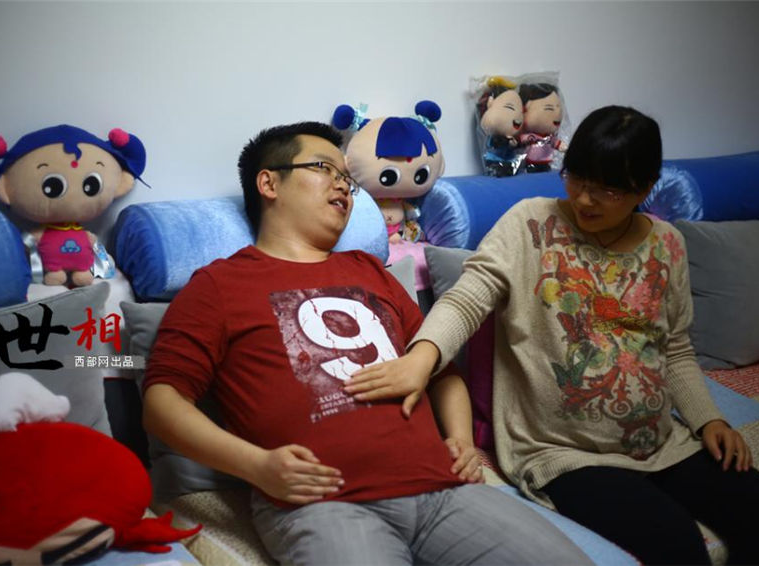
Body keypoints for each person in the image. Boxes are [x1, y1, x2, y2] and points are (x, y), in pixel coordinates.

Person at [348, 105, 759, 566]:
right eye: (576, 178)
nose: (584, 200)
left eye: (608, 190)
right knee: (678, 544)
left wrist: (708, 420)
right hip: (563, 453)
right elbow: (467, 298)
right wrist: (421, 359)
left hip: (661, 441)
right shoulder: (530, 224)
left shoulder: (667, 245)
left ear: (644, 188)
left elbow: (674, 349)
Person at [142, 121, 594, 565]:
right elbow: (163, 400)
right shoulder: (218, 285)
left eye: (347, 177)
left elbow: (440, 372)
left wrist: (460, 441)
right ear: (269, 183)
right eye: (324, 168)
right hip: (324, 504)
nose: (343, 185)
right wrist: (256, 466)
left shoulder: (370, 270)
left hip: (444, 491)